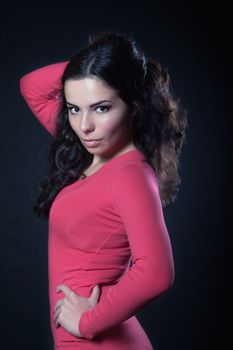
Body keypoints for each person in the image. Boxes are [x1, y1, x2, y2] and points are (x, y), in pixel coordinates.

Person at [19, 30, 188, 350]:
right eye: (73, 108)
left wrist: (87, 322)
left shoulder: (131, 176)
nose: (84, 125)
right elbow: (32, 87)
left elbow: (156, 272)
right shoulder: (87, 150)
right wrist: (96, 67)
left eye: (101, 108)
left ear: (134, 107)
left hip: (97, 339)